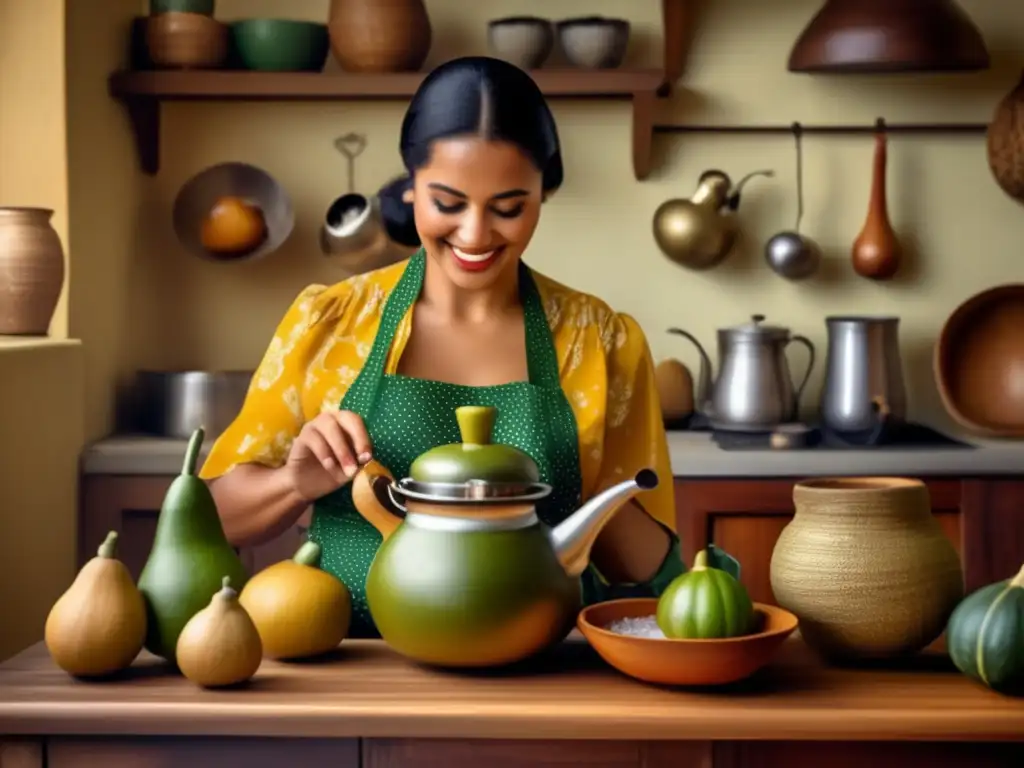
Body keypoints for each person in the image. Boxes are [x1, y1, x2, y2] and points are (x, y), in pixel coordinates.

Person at [199, 55, 686, 639]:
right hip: (353, 661)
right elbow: (210, 521)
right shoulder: (332, 323)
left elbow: (648, 570)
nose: (476, 235)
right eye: (448, 204)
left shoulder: (597, 340)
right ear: (409, 188)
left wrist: (595, 493)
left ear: (542, 193)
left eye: (509, 208)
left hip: (540, 667)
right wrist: (292, 484)